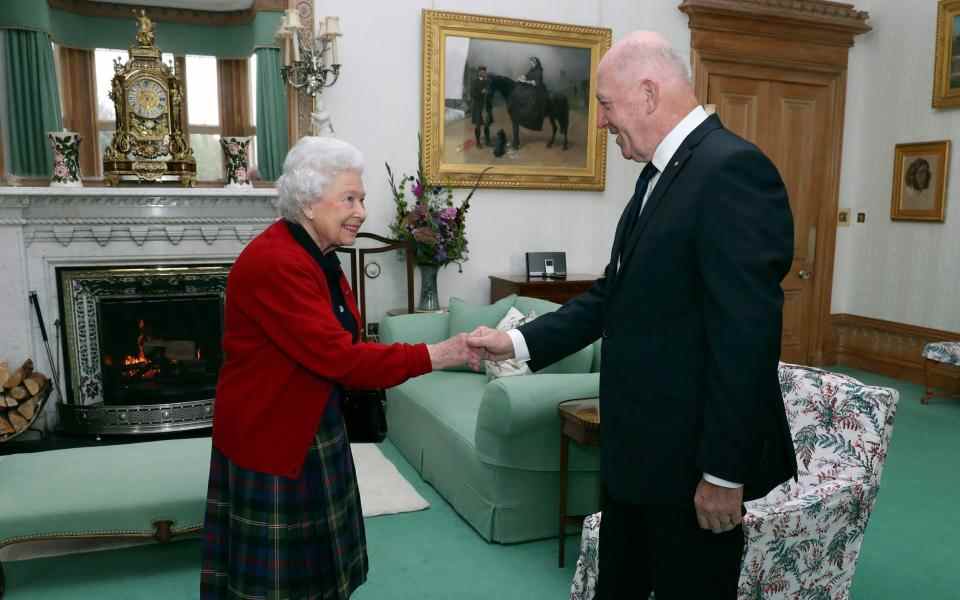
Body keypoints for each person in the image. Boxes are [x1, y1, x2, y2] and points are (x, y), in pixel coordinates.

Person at [467, 31, 797, 599]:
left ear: (648, 94)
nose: (599, 122)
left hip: (691, 471)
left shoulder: (732, 172)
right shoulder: (657, 176)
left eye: (605, 105)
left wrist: (723, 473)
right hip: (637, 461)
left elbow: (746, 338)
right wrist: (517, 344)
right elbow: (610, 298)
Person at [201, 136, 476, 600]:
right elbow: (342, 358)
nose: (361, 211)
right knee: (281, 586)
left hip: (306, 421)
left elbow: (341, 343)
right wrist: (440, 354)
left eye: (362, 198)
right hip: (274, 436)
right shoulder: (278, 263)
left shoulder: (318, 255)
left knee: (318, 579)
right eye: (349, 199)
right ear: (309, 202)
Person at [470, 65, 493, 148]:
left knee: (487, 124)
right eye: (481, 71)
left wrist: (488, 91)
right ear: (478, 72)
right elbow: (472, 94)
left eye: (484, 71)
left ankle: (487, 141)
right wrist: (481, 92)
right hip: (477, 107)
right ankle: (478, 142)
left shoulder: (488, 81)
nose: (483, 73)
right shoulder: (475, 82)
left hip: (486, 107)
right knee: (478, 125)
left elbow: (491, 92)